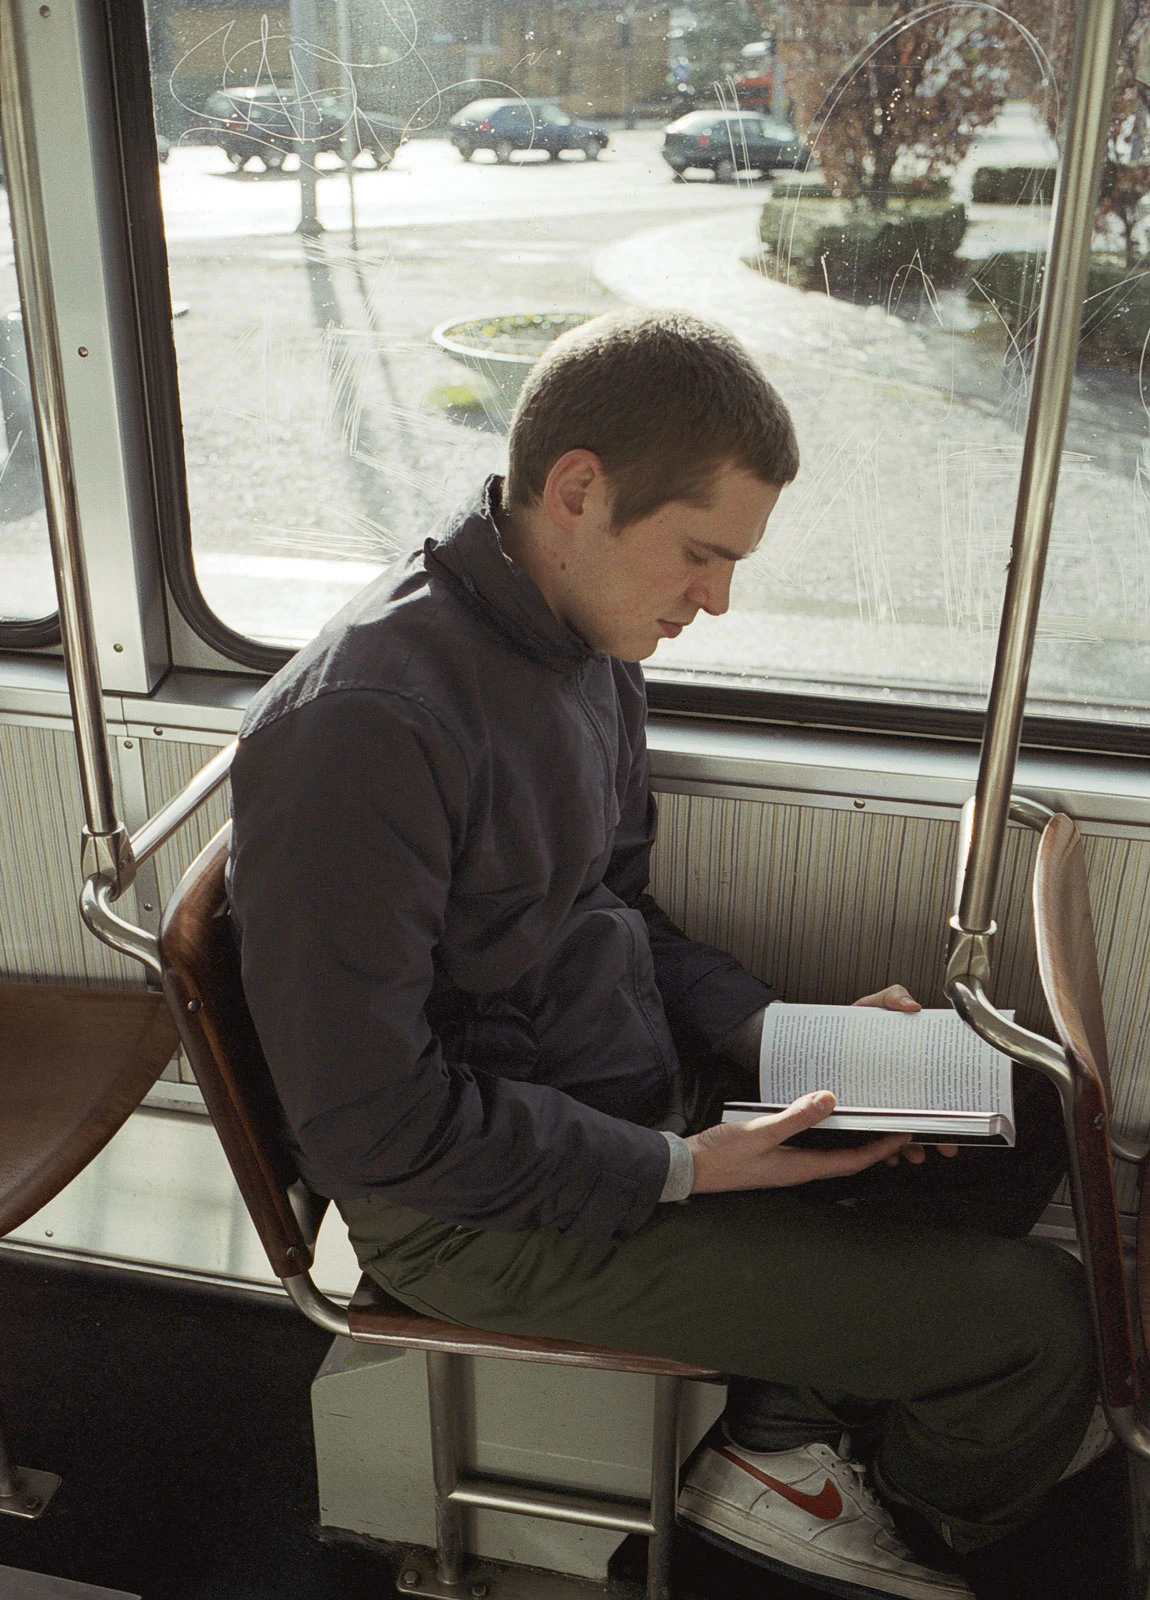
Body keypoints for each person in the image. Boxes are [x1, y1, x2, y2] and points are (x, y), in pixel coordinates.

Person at [228, 309, 1104, 1600]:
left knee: (1015, 1110)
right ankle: (906, 1503)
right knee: (1039, 1330)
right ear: (579, 490)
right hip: (480, 1209)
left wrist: (771, 1030)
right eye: (702, 554)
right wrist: (684, 1169)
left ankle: (785, 1430)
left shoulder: (583, 640)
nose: (718, 599)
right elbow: (375, 1129)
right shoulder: (364, 731)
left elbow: (617, 907)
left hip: (626, 1084)